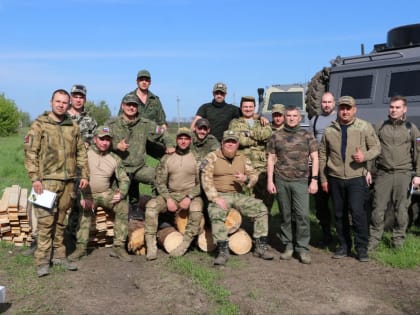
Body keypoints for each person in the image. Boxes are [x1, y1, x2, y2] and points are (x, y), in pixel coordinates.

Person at [24, 89, 89, 277]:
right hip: (45, 182)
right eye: (58, 101)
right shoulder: (40, 124)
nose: (61, 104)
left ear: (68, 105)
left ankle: (59, 257)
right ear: (51, 102)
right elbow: (30, 153)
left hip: (68, 181)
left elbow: (81, 153)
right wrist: (35, 178)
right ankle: (42, 261)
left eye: (64, 102)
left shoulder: (73, 126)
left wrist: (84, 175)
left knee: (61, 222)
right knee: (45, 223)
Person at [319, 96, 380, 262]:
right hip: (335, 178)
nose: (345, 111)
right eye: (342, 108)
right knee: (339, 214)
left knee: (358, 213)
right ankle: (344, 246)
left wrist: (364, 156)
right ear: (338, 110)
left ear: (354, 109)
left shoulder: (364, 127)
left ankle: (361, 248)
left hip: (356, 178)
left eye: (348, 108)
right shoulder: (330, 130)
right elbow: (323, 155)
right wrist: (323, 178)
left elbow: (376, 148)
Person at [201, 130, 274, 266]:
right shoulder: (212, 157)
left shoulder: (242, 158)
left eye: (233, 142)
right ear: (222, 143)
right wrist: (215, 198)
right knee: (216, 213)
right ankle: (223, 250)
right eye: (227, 141)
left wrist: (246, 179)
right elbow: (206, 179)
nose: (230, 144)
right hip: (220, 194)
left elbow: (254, 175)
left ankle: (260, 246)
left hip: (238, 195)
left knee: (261, 208)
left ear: (237, 144)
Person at [68, 126, 132, 262]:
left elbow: (124, 178)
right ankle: (81, 248)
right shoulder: (84, 154)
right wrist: (79, 195)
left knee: (123, 205)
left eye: (108, 140)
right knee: (85, 210)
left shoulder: (115, 158)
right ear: (95, 140)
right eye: (102, 139)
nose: (105, 143)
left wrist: (121, 193)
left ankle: (119, 247)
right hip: (86, 193)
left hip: (104, 193)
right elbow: (75, 174)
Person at [107, 94, 175, 219]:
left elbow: (163, 132)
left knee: (158, 177)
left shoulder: (145, 124)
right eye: (129, 104)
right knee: (116, 199)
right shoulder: (112, 124)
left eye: (134, 105)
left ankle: (158, 210)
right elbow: (100, 141)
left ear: (137, 108)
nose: (131, 107)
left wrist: (170, 144)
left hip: (139, 167)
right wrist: (116, 145)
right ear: (123, 106)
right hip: (119, 169)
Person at [267, 106, 319, 264]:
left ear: (299, 118)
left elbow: (315, 158)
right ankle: (288, 246)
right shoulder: (276, 136)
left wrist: (314, 179)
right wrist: (270, 180)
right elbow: (270, 159)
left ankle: (302, 248)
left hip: (301, 181)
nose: (291, 118)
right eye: (288, 115)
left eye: (294, 116)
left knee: (302, 215)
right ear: (284, 117)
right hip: (281, 180)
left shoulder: (307, 135)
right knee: (286, 215)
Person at [369, 95, 420, 251]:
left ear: (404, 109)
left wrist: (418, 175)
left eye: (397, 107)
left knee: (401, 210)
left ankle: (398, 242)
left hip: (403, 174)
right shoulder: (380, 126)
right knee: (378, 209)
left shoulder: (411, 128)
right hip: (383, 174)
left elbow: (419, 152)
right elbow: (371, 150)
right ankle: (373, 241)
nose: (394, 110)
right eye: (392, 107)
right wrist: (368, 171)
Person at [145, 127, 203, 260]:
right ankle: (151, 246)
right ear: (176, 140)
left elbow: (202, 184)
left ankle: (184, 244)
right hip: (171, 194)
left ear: (191, 140)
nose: (183, 141)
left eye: (186, 139)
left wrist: (189, 197)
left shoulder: (197, 159)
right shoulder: (167, 158)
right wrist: (168, 199)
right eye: (180, 138)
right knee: (151, 206)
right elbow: (160, 182)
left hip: (191, 195)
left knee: (196, 209)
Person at [228, 96, 273, 209]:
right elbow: (240, 140)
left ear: (254, 108)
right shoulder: (235, 123)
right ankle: (244, 225)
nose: (248, 109)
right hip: (244, 166)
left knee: (265, 200)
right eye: (245, 107)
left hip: (261, 168)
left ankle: (264, 225)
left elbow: (268, 134)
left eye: (250, 107)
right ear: (241, 108)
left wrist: (249, 133)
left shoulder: (261, 121)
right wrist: (258, 137)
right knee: (244, 201)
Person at [309, 92, 336, 247]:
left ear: (334, 103)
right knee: (321, 205)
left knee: (339, 205)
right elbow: (310, 143)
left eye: (329, 102)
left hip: (336, 167)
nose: (326, 105)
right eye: (324, 102)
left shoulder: (340, 118)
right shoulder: (315, 120)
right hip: (319, 168)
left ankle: (341, 236)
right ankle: (326, 235)